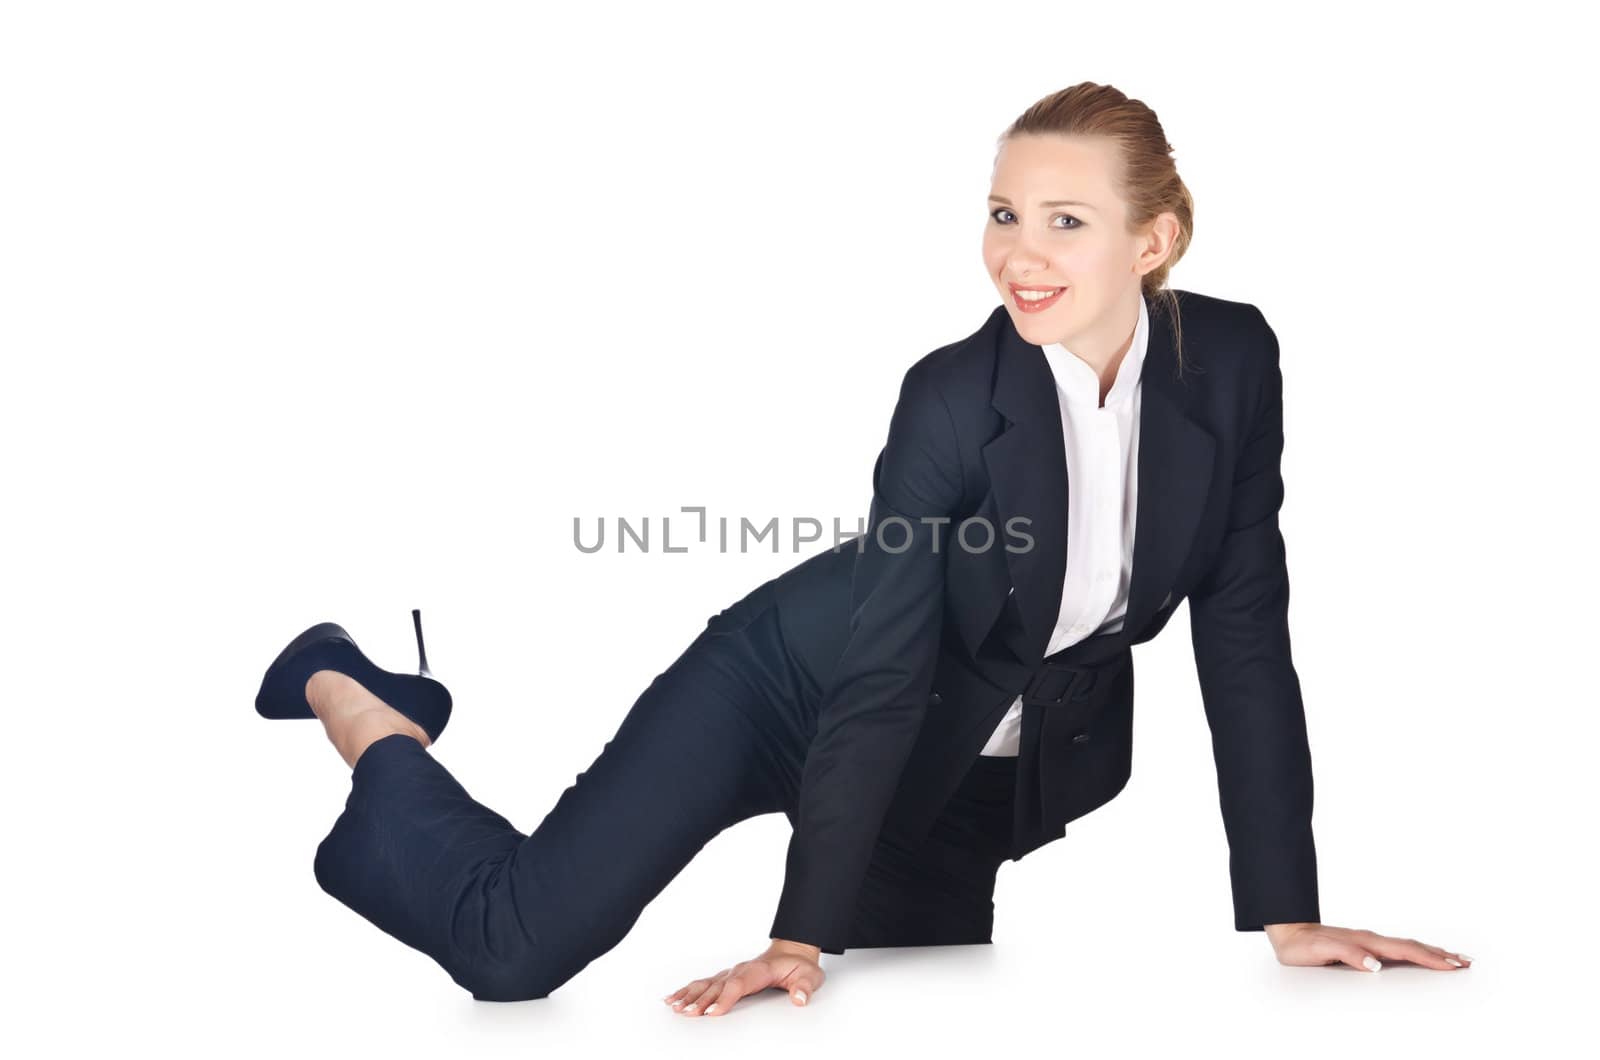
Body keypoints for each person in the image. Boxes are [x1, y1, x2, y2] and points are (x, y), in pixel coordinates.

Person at [254, 82, 1471, 1013]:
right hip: (792, 683)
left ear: (1153, 243)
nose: (1016, 253)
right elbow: (883, 670)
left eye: (1063, 220)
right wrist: (799, 933)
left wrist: (1286, 914)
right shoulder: (949, 395)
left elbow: (1246, 641)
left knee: (908, 1004)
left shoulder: (1233, 360)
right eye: (1002, 213)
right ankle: (355, 694)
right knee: (510, 948)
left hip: (961, 764)